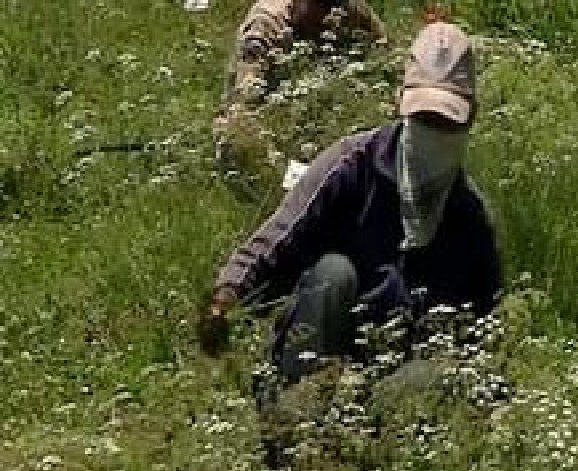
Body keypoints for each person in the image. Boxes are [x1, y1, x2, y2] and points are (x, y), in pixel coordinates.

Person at [199, 22, 501, 392]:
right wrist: (225, 299)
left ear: (470, 119)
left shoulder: (469, 217)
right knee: (334, 272)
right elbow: (279, 237)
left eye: (445, 123)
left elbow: (482, 331)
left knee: (434, 377)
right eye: (423, 119)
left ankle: (368, 433)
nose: (432, 135)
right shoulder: (351, 166)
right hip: (320, 350)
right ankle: (295, 417)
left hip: (394, 380)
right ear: (399, 105)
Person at [213, 0, 388, 178]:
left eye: (333, 9)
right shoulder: (267, 24)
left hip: (321, 127)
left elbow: (384, 58)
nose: (327, 20)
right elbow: (244, 105)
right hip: (268, 133)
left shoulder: (349, 10)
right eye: (319, 10)